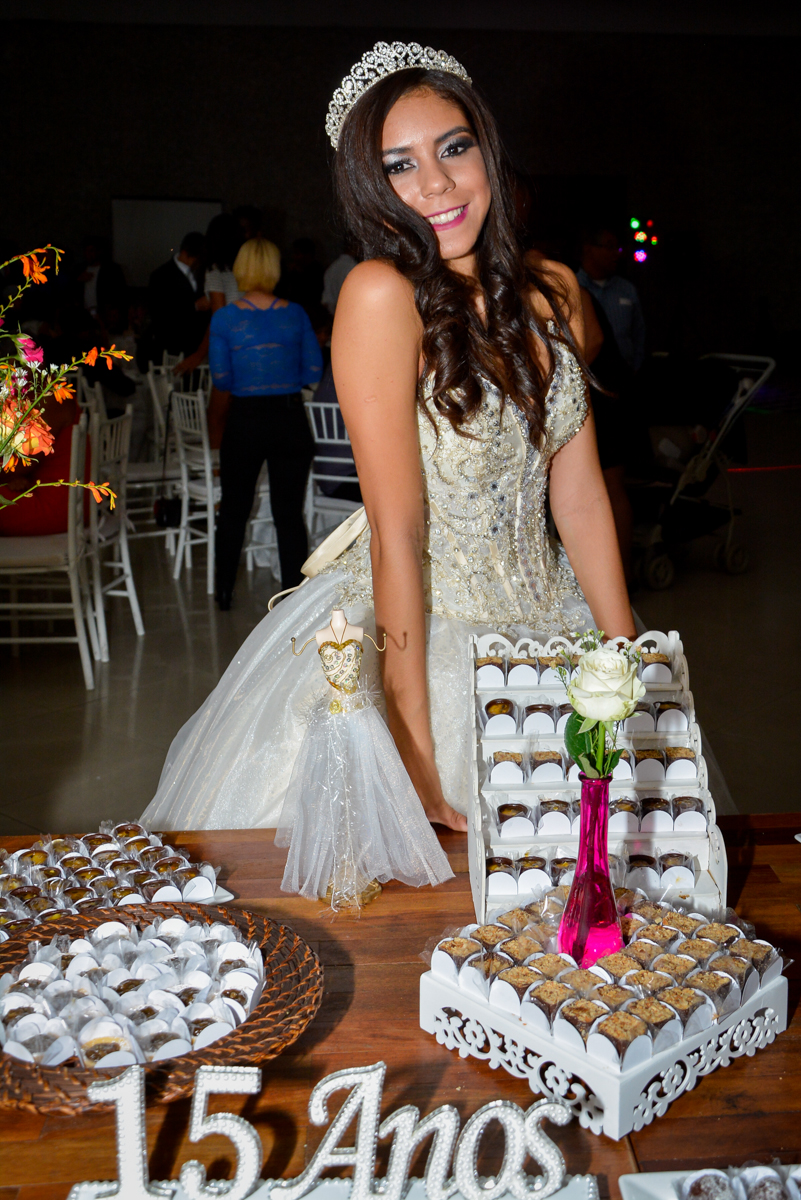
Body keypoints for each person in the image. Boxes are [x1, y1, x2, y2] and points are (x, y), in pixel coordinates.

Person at [142, 42, 635, 843]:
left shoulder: (554, 293)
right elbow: (397, 533)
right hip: (424, 628)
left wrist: (623, 655)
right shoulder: (381, 295)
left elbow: (576, 496)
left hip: (556, 622)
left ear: (486, 148)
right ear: (371, 191)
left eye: (452, 148)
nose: (435, 184)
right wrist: (410, 744)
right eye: (399, 166)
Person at [211, 237, 323, 610]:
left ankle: (224, 591)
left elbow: (222, 379)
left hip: (245, 419)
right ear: (275, 269)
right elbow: (313, 370)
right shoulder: (295, 314)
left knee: (234, 509)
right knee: (288, 514)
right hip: (289, 418)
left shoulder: (225, 317)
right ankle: (292, 597)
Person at [577, 226, 646, 372]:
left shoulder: (627, 289)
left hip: (625, 379)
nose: (616, 254)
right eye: (609, 247)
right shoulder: (572, 288)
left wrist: (636, 370)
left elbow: (639, 334)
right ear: (589, 249)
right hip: (587, 378)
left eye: (617, 247)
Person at [147, 231, 207, 360]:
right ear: (185, 254)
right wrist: (195, 306)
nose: (200, 263)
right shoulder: (160, 276)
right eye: (197, 259)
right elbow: (160, 315)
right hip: (175, 348)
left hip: (201, 346)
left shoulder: (204, 272)